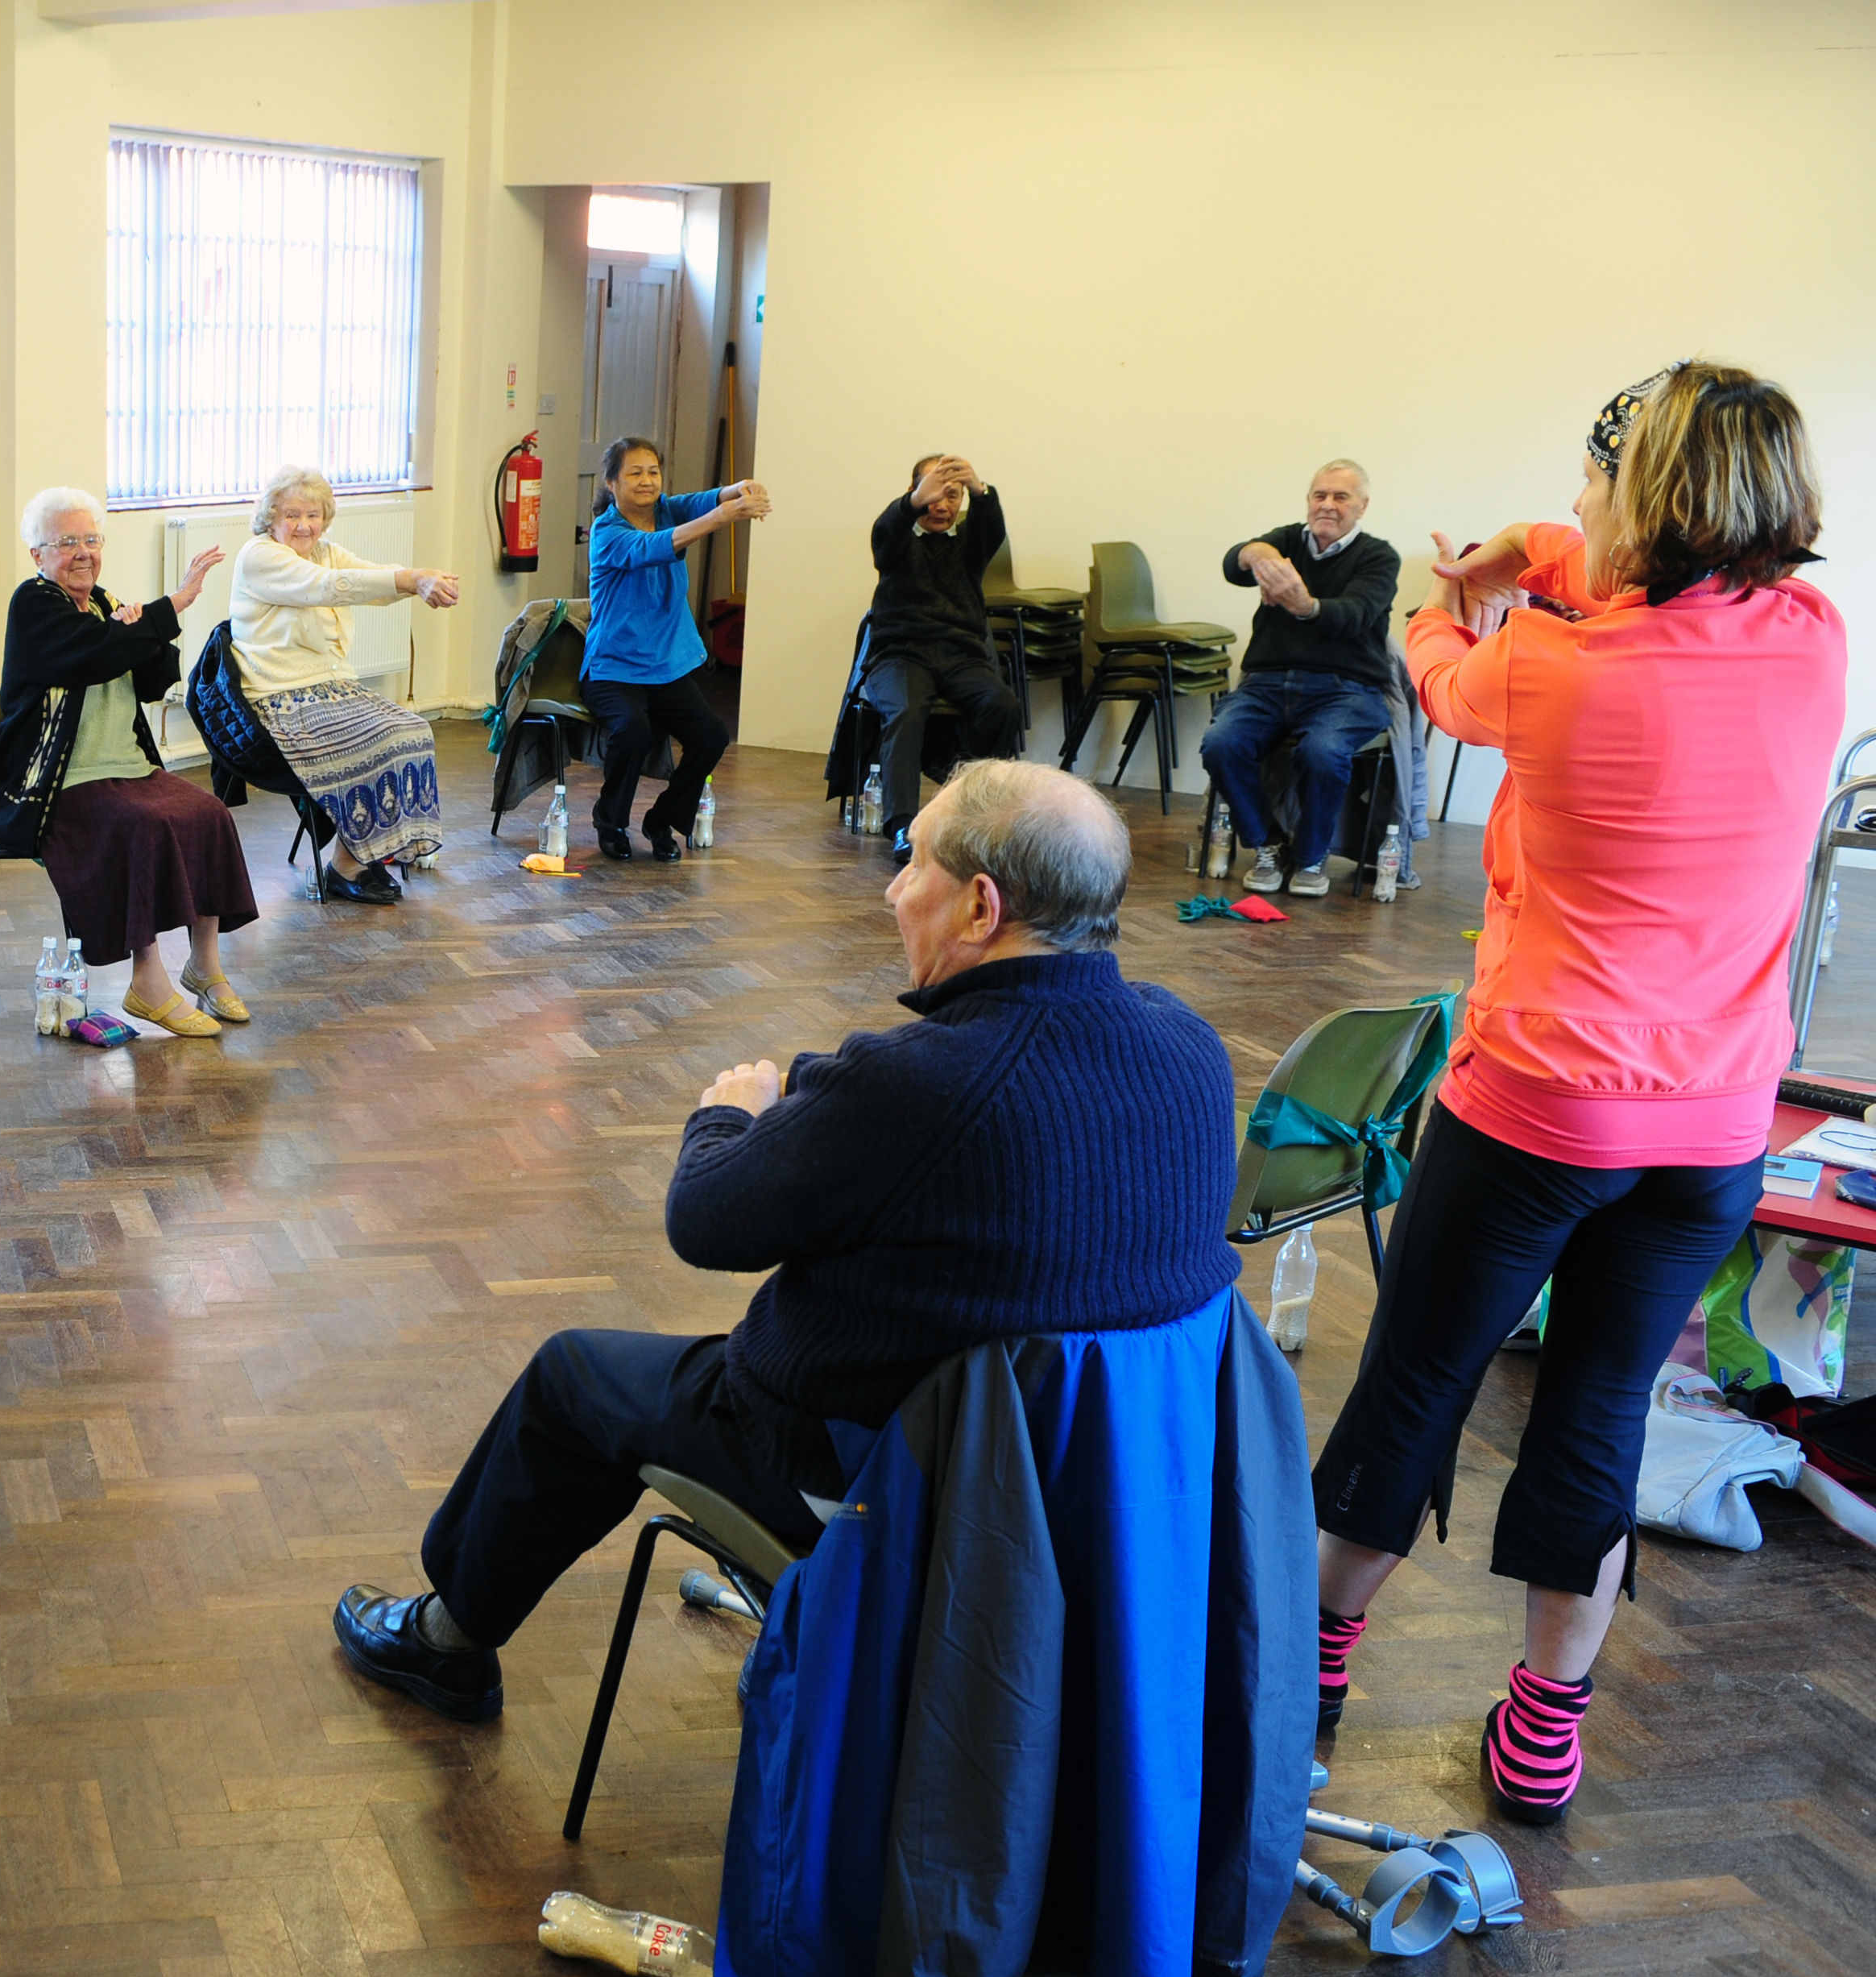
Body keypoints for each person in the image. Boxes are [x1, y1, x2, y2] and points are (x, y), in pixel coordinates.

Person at [332, 761, 1238, 1718]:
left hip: (878, 1485)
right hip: (1113, 1501)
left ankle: (448, 1639)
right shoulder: (1191, 1050)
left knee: (570, 1379)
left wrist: (724, 1117)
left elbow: (705, 1220)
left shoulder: (914, 1089)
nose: (893, 889)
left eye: (912, 863)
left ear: (981, 907)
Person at [1308, 362, 1840, 1827]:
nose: (1580, 508)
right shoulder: (1809, 637)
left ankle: (1310, 1671)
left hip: (1539, 1111)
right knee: (1598, 1410)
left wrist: (1449, 589)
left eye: (1596, 483)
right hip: (1716, 1130)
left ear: (1644, 501)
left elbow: (1433, 668)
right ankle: (1545, 1731)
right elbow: (1612, 566)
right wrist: (1533, 545)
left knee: (1414, 1382)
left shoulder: (1549, 668)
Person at [0, 487, 255, 1036]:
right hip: (57, 784)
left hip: (128, 768)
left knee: (209, 812)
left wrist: (146, 637)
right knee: (143, 826)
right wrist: (170, 607)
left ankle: (204, 966)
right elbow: (92, 653)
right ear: (37, 555)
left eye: (91, 539)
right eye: (67, 542)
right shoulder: (35, 603)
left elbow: (155, 680)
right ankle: (146, 980)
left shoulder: (107, 604)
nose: (83, 552)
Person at [226, 464, 458, 904]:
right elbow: (330, 588)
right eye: (292, 514)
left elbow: (370, 580)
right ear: (271, 516)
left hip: (333, 688)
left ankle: (377, 848)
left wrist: (420, 582)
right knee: (373, 737)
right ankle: (346, 866)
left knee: (412, 729)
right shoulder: (260, 556)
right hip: (279, 699)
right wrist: (412, 578)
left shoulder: (326, 552)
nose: (303, 525)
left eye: (313, 515)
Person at [1198, 462, 1403, 897]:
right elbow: (1233, 565)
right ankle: (1267, 843)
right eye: (1319, 495)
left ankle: (1310, 857)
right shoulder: (1286, 540)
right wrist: (1255, 553)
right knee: (1221, 743)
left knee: (1324, 751)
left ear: (1362, 506)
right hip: (1267, 685)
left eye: (1341, 497)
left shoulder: (1379, 557)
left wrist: (1305, 605)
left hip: (1346, 690)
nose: (1327, 505)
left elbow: (1354, 615)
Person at [581, 438, 770, 861]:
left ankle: (662, 819)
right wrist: (722, 517)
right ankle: (610, 820)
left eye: (653, 471)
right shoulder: (607, 532)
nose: (647, 481)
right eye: (635, 473)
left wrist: (740, 489)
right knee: (633, 730)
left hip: (666, 669)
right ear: (612, 483)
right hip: (613, 669)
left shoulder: (669, 507)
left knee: (711, 735)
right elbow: (656, 547)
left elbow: (707, 498)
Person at [861, 454, 1025, 859]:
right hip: (900, 654)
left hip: (961, 656)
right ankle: (903, 827)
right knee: (905, 709)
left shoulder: (971, 543)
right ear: (915, 494)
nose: (942, 504)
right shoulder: (897, 541)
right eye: (933, 494)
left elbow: (992, 528)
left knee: (1002, 704)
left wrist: (980, 491)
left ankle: (973, 814)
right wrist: (916, 499)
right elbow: (885, 530)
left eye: (952, 496)